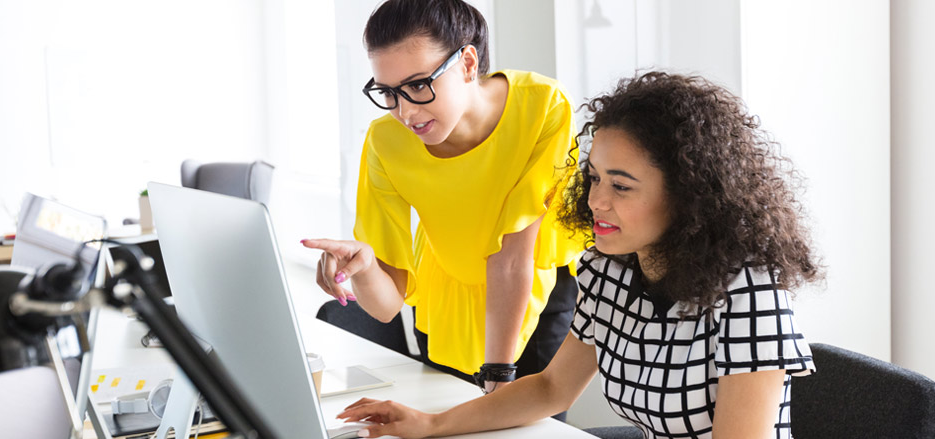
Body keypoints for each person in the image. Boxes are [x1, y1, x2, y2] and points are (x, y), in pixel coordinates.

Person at [334, 71, 822, 439]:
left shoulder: (749, 295)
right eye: (593, 178)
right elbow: (551, 389)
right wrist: (430, 424)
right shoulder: (610, 271)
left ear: (688, 195)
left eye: (621, 186)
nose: (595, 202)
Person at [301, 0, 586, 396]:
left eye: (418, 85)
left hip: (532, 297)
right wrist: (365, 269)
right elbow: (386, 306)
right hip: (445, 303)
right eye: (388, 92)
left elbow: (513, 255)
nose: (404, 112)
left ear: (468, 64)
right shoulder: (385, 143)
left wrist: (498, 376)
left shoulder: (543, 107)